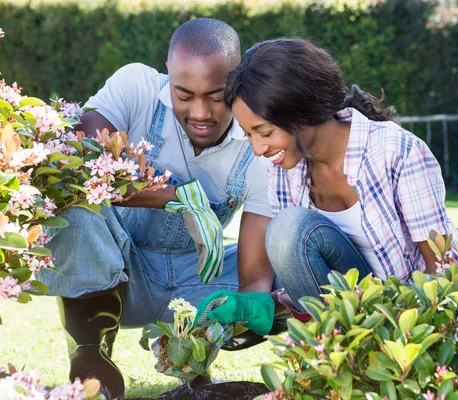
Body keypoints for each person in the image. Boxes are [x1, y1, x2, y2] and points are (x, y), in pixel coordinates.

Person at [37, 19, 278, 398]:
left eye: (216, 96)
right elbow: (80, 162)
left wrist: (243, 311)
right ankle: (91, 360)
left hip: (198, 283)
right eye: (184, 95)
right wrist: (181, 198)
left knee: (290, 259)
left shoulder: (259, 142)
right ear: (168, 73)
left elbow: (252, 277)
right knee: (75, 210)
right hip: (118, 275)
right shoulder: (137, 86)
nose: (200, 113)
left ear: (237, 82)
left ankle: (195, 367)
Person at [223, 38, 456, 311]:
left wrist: (403, 333)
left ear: (301, 111)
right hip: (350, 319)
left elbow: (442, 267)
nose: (258, 149)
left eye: (265, 132)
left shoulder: (396, 152)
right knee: (287, 229)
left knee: (288, 228)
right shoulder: (281, 171)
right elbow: (305, 278)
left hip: (414, 315)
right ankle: (339, 349)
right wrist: (258, 308)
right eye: (248, 134)